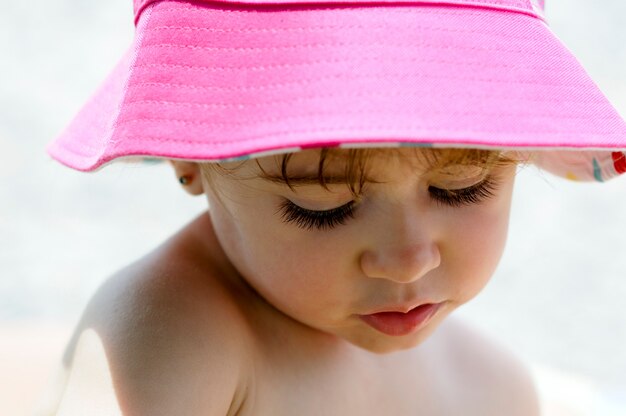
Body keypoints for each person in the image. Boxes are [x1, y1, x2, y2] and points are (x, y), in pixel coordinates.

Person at [41, 0, 626, 414]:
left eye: (462, 188)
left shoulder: (493, 388)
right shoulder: (175, 333)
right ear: (189, 159)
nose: (408, 260)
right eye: (323, 207)